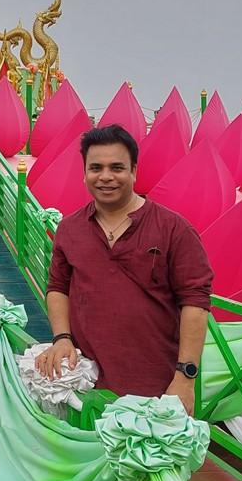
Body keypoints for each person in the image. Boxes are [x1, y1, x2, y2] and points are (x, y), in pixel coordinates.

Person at [34, 124, 212, 414]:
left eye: (117, 167)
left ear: (134, 171)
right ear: (85, 173)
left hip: (156, 386)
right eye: (96, 168)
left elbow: (195, 302)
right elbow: (58, 287)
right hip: (86, 382)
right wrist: (62, 337)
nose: (105, 177)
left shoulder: (172, 229)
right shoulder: (70, 228)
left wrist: (185, 377)